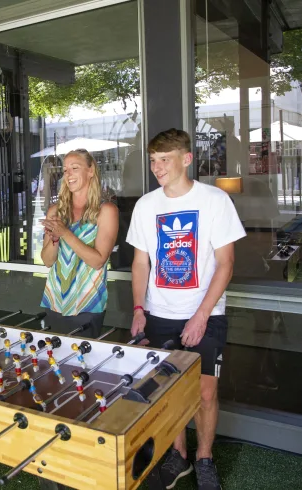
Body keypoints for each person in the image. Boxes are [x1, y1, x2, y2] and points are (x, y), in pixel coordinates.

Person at [126, 128, 245, 490]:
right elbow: (140, 264)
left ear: (186, 159)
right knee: (168, 392)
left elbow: (226, 263)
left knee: (205, 393)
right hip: (159, 313)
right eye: (153, 161)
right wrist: (138, 309)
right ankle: (178, 455)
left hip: (204, 313)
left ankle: (204, 457)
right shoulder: (146, 206)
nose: (157, 167)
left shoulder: (215, 201)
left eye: (164, 159)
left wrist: (201, 314)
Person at [39, 149, 119, 338]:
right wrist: (55, 239)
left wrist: (65, 233)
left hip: (88, 303)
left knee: (82, 364)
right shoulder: (55, 211)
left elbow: (98, 261)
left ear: (91, 171)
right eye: (65, 170)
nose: (68, 174)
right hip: (55, 300)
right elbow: (48, 261)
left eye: (75, 168)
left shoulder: (106, 211)